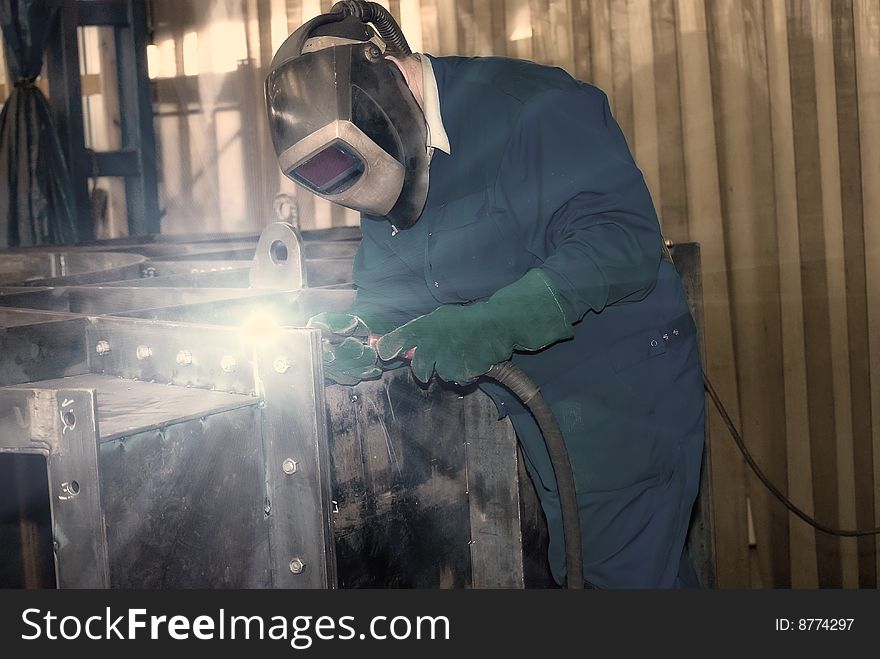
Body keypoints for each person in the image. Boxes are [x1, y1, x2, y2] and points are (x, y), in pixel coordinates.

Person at [265, 3, 706, 588]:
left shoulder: (533, 106)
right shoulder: (372, 157)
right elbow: (392, 287)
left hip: (620, 398)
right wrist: (362, 331)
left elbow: (620, 239)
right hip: (530, 406)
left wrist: (491, 325)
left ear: (391, 84)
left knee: (619, 582)